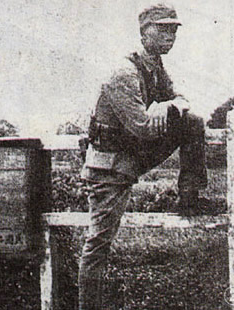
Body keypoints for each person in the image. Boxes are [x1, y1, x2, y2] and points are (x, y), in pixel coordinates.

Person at [78, 4, 207, 309]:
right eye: (162, 29)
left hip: (131, 156)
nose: (170, 36)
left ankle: (189, 195)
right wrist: (168, 107)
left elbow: (182, 99)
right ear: (143, 31)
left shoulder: (155, 66)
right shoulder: (124, 72)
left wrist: (170, 104)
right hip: (108, 168)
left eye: (174, 29)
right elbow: (144, 127)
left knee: (193, 122)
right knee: (98, 245)